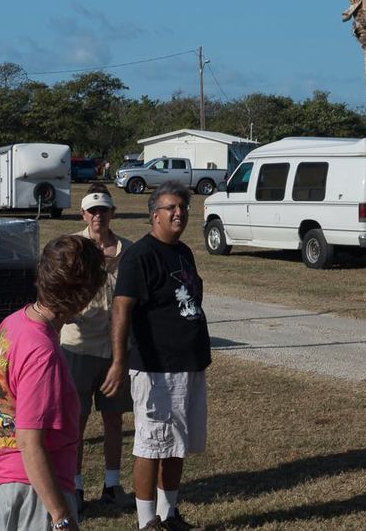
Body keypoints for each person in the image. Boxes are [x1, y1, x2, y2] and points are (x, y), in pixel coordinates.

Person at [0, 235, 106, 531]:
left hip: (4, 478)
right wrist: (61, 516)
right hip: (34, 489)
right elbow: (29, 442)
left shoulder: (13, 323)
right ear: (80, 295)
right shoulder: (42, 352)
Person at [106, 180, 211, 531]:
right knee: (152, 445)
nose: (179, 213)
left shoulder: (183, 252)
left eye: (183, 207)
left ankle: (169, 515)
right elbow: (121, 309)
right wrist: (119, 361)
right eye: (171, 208)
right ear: (155, 215)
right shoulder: (139, 256)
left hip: (189, 363)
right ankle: (146, 522)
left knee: (177, 444)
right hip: (156, 368)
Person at [60, 184, 135, 515]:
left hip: (115, 349)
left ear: (112, 213)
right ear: (83, 214)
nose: (98, 216)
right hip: (78, 346)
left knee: (114, 418)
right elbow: (56, 288)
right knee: (76, 421)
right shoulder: (72, 249)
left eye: (103, 210)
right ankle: (74, 487)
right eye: (92, 211)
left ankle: (112, 485)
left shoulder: (128, 251)